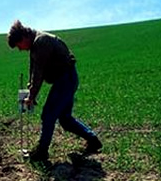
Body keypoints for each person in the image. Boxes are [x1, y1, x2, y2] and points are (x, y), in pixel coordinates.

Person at [7, 20, 102, 163]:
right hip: (65, 79)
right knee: (65, 119)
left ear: (23, 38)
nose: (20, 49)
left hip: (66, 79)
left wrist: (32, 96)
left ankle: (42, 152)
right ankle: (93, 140)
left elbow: (38, 73)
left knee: (48, 114)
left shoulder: (41, 42)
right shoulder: (35, 45)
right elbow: (33, 72)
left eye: (19, 46)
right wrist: (30, 92)